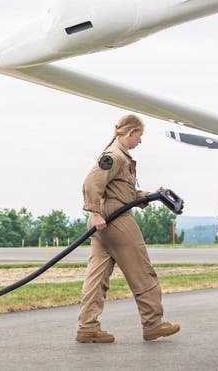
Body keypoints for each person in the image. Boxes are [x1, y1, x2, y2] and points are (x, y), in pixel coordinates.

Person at [75, 114, 180, 343]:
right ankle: (153, 324)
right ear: (131, 132)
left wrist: (152, 195)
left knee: (97, 277)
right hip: (116, 219)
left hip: (105, 220)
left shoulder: (120, 156)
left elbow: (125, 194)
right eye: (139, 136)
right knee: (142, 272)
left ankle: (87, 327)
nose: (140, 141)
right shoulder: (114, 156)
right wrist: (94, 213)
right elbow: (91, 183)